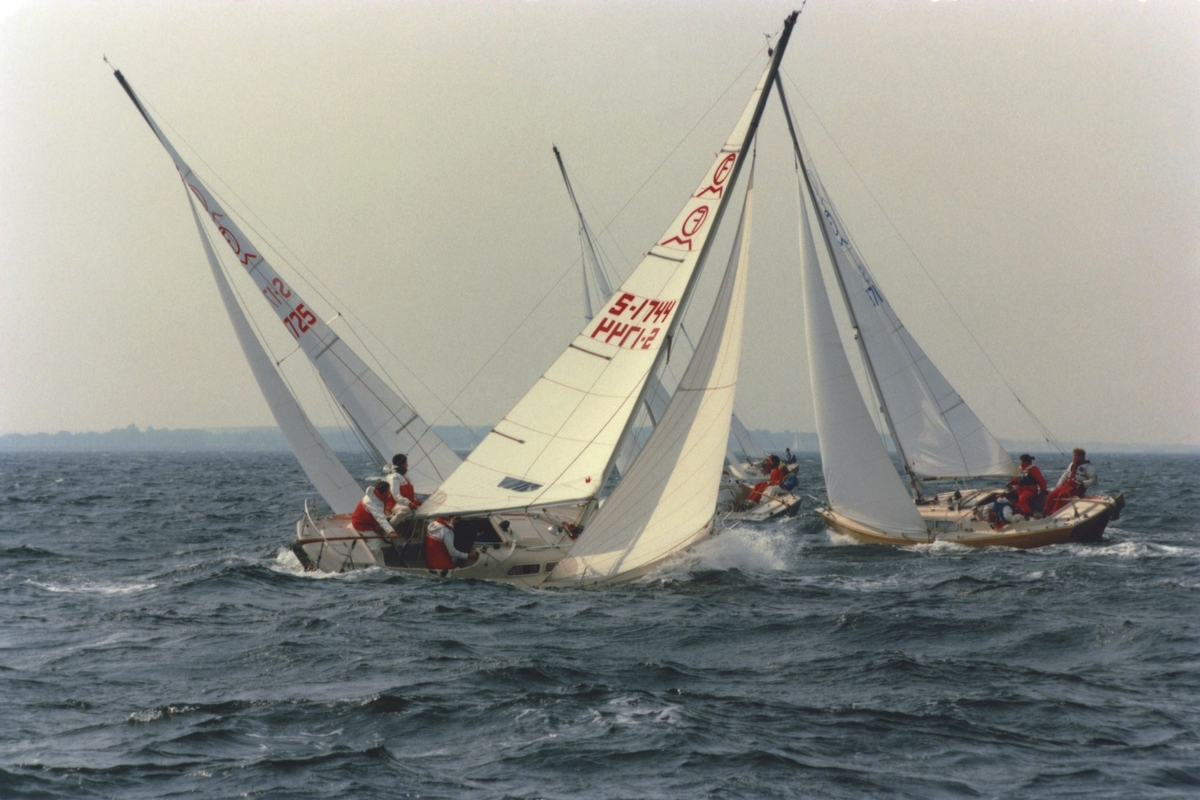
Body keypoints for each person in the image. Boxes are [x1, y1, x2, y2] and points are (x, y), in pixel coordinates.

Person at [1043, 448, 1098, 515]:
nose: (1074, 457)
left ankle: (1055, 514)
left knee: (1062, 495)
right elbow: (1065, 476)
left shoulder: (1088, 467)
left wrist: (1083, 484)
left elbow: (1094, 479)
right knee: (1052, 494)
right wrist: (1058, 486)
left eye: (1075, 455)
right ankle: (1046, 512)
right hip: (1067, 485)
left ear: (1081, 456)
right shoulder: (1072, 464)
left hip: (1077, 487)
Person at [386, 453, 422, 524]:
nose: (407, 465)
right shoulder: (394, 477)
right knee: (406, 509)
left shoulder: (403, 476)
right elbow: (395, 495)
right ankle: (391, 525)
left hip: (406, 502)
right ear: (402, 464)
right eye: (406, 463)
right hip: (395, 504)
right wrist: (409, 503)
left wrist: (414, 501)